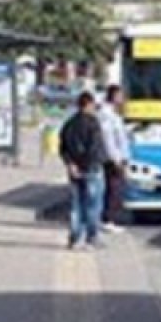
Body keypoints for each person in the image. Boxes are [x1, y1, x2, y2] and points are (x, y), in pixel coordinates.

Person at [59, 91, 107, 251]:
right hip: (91, 169)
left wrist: (71, 164)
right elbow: (94, 147)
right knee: (93, 205)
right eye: (93, 105)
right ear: (88, 105)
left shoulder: (69, 124)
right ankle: (91, 238)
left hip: (74, 170)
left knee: (76, 205)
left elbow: (63, 147)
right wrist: (86, 165)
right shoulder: (93, 123)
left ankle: (75, 238)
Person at [98, 85, 130, 234]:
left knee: (116, 189)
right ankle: (107, 220)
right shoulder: (106, 114)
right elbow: (108, 139)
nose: (123, 99)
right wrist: (116, 159)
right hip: (112, 159)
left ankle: (110, 219)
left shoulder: (114, 113)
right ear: (114, 96)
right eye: (120, 96)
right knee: (114, 190)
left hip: (118, 157)